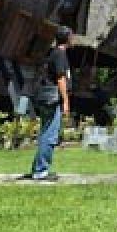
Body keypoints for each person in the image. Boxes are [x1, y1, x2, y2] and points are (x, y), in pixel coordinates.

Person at [29, 25, 72, 181]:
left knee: (46, 132)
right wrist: (66, 101)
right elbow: (61, 79)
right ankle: (41, 170)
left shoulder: (54, 53)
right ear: (68, 38)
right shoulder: (60, 54)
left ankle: (37, 168)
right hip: (52, 99)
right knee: (50, 135)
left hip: (47, 97)